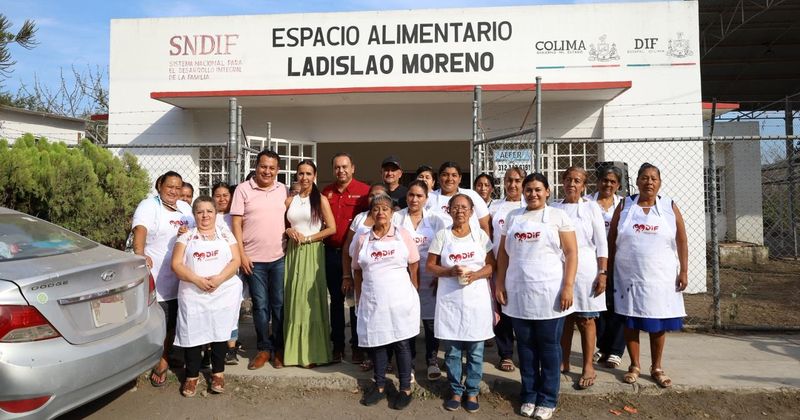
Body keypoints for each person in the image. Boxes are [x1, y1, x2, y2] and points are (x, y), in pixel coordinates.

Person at [495, 173, 578, 420]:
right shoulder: (513, 217)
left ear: (547, 191)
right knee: (526, 347)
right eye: (528, 190)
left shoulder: (558, 216)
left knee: (549, 347)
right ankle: (529, 395)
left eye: (538, 189)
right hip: (519, 292)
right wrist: (500, 283)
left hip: (549, 293)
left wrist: (568, 286)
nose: (533, 194)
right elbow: (503, 254)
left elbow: (571, 253)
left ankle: (548, 398)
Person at [607, 163, 688, 388]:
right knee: (630, 320)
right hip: (629, 277)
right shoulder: (625, 205)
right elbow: (611, 238)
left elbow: (682, 239)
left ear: (659, 183)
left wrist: (684, 270)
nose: (649, 182)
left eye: (653, 178)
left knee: (658, 320)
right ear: (637, 181)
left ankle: (657, 367)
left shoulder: (669, 206)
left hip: (660, 277)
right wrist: (608, 270)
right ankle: (634, 366)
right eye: (644, 177)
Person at [426, 194, 495, 413]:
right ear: (448, 210)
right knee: (453, 352)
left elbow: (491, 265)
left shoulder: (480, 235)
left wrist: (475, 275)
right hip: (450, 301)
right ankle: (456, 390)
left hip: (476, 300)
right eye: (455, 207)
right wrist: (448, 272)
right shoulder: (442, 235)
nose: (460, 211)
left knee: (475, 351)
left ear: (472, 211)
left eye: (464, 207)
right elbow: (430, 266)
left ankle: (472, 391)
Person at [352, 193, 420, 410]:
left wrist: (414, 290)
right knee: (378, 343)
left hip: (400, 300)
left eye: (385, 209)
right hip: (373, 300)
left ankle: (405, 388)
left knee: (401, 343)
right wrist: (359, 297)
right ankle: (380, 386)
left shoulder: (403, 235)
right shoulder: (363, 239)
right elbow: (357, 270)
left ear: (392, 213)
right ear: (371, 213)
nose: (380, 212)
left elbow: (414, 264)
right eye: (376, 209)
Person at [171, 196, 242, 397]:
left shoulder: (226, 235)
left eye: (209, 211)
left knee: (220, 332)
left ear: (215, 213)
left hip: (222, 292)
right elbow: (176, 264)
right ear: (194, 215)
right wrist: (197, 280)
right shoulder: (186, 237)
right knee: (193, 333)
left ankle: (218, 373)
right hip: (193, 293)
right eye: (200, 212)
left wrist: (219, 279)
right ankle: (191, 376)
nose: (205, 216)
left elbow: (236, 260)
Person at [132, 171, 194, 388]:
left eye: (178, 187)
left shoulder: (185, 207)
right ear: (160, 185)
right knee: (161, 320)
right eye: (170, 187)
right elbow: (140, 230)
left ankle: (167, 353)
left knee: (175, 319)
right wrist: (140, 254)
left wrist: (186, 232)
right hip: (158, 275)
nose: (174, 191)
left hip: (181, 275)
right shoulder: (149, 205)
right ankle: (161, 359)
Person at [230, 149, 288, 370]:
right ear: (256, 166)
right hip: (253, 260)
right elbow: (236, 224)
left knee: (279, 305)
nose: (267, 171)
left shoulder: (283, 190)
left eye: (272, 168)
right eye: (263, 166)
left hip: (280, 257)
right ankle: (264, 348)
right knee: (260, 306)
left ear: (278, 170)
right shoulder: (243, 190)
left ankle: (279, 348)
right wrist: (241, 254)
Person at [552, 167, 608, 390]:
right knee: (564, 318)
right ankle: (563, 360)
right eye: (568, 179)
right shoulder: (554, 207)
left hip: (586, 270)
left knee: (586, 320)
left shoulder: (591, 207)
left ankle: (588, 366)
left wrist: (602, 272)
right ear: (562, 182)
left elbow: (601, 243)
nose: (572, 184)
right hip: (560, 270)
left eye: (577, 181)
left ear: (584, 186)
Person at [283, 159, 337, 367]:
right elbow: (284, 225)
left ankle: (312, 352)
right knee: (294, 298)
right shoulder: (290, 200)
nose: (304, 177)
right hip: (293, 252)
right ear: (296, 175)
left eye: (308, 173)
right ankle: (294, 352)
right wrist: (289, 230)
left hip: (312, 251)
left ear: (314, 176)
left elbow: (331, 228)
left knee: (309, 300)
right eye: (301, 173)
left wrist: (308, 238)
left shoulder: (320, 199)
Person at [394, 180, 447, 380]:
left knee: (431, 323)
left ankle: (432, 361)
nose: (414, 199)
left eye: (419, 196)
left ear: (426, 198)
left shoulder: (436, 219)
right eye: (411, 195)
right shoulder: (397, 218)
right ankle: (409, 364)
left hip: (429, 278)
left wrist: (438, 274)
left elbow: (444, 247)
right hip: (404, 278)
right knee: (407, 322)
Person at [322, 152, 370, 363]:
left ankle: (358, 346)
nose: (341, 170)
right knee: (336, 301)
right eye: (337, 167)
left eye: (345, 166)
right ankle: (338, 346)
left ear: (353, 168)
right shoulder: (327, 192)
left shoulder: (364, 192)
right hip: (332, 253)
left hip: (355, 255)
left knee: (356, 302)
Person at [342, 183, 389, 371]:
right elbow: (347, 247)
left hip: (383, 277)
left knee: (382, 317)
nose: (375, 199)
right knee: (360, 313)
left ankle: (385, 359)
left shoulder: (393, 218)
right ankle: (362, 351)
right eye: (372, 195)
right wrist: (347, 275)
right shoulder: (360, 218)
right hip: (359, 274)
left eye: (380, 195)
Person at [488, 167, 526, 374]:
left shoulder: (529, 205)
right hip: (499, 267)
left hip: (521, 269)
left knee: (522, 311)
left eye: (517, 181)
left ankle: (526, 353)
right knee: (502, 309)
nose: (512, 184)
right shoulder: (495, 206)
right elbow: (488, 234)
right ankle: (506, 354)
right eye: (509, 180)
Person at [587, 165, 626, 369]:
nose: (608, 184)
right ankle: (602, 347)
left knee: (618, 305)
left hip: (619, 262)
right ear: (598, 181)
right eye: (604, 180)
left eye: (613, 181)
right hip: (594, 262)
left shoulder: (624, 205)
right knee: (599, 305)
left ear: (618, 185)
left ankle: (616, 350)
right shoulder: (587, 203)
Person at [212, 181, 241, 365]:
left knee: (232, 309)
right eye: (218, 196)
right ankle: (211, 348)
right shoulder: (208, 216)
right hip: (212, 270)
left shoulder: (236, 217)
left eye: (225, 195)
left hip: (232, 269)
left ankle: (231, 348)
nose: (222, 199)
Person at [426, 161, 491, 237]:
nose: (450, 179)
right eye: (445, 175)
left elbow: (485, 225)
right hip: (438, 242)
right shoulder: (429, 197)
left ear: (460, 178)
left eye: (454, 175)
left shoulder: (472, 195)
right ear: (439, 178)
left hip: (471, 242)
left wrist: (486, 244)